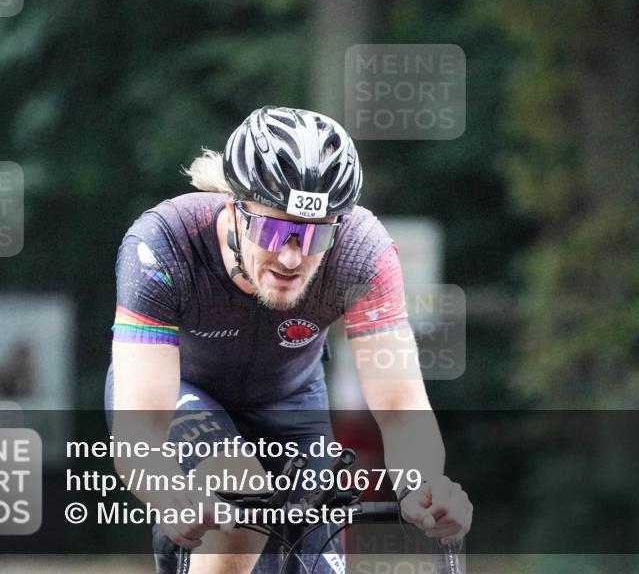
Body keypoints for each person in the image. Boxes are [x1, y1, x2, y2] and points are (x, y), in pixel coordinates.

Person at [106, 106, 472, 574]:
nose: (291, 256)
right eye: (274, 228)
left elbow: (400, 408)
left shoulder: (362, 253)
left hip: (291, 400)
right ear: (234, 208)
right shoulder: (163, 245)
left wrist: (425, 488)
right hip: (182, 393)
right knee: (242, 502)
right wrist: (167, 491)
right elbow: (140, 429)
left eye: (314, 235)